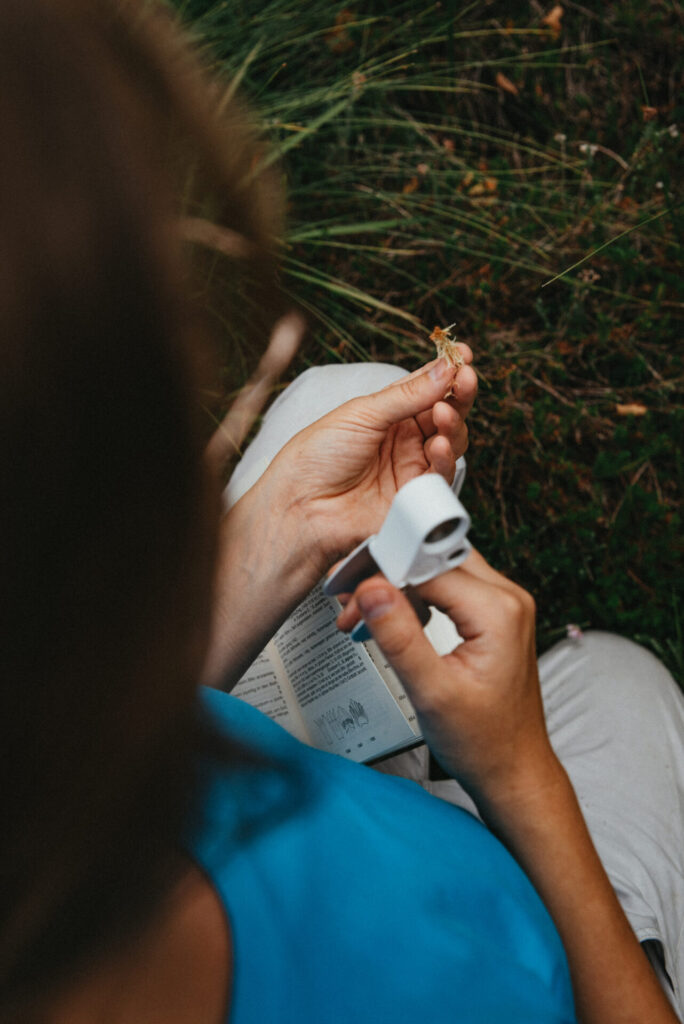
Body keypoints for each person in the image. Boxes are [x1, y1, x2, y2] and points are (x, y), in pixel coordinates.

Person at [0, 3, 681, 1023]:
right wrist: (520, 774)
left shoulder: (46, 753)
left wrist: (285, 524)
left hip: (337, 820)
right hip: (540, 947)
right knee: (627, 690)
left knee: (334, 400)